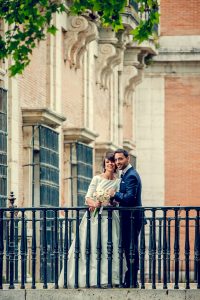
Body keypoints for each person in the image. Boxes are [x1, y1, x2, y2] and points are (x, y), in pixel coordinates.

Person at [58, 152, 122, 288]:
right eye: (108, 162)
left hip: (110, 218)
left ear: (115, 165)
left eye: (112, 162)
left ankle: (109, 278)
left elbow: (118, 199)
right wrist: (95, 203)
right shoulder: (97, 179)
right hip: (95, 218)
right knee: (92, 246)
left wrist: (112, 201)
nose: (110, 164)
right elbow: (87, 198)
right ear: (104, 163)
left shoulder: (118, 181)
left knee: (109, 247)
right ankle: (91, 279)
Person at [108, 148, 142, 288]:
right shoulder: (126, 174)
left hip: (132, 218)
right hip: (128, 218)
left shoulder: (131, 175)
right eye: (116, 160)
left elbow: (129, 198)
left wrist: (114, 194)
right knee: (129, 248)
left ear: (128, 159)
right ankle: (130, 279)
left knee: (131, 248)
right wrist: (116, 201)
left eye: (120, 159)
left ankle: (132, 280)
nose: (117, 162)